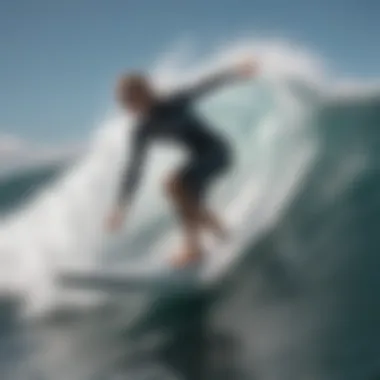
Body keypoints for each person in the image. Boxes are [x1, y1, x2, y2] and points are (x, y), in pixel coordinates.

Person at [106, 58, 259, 267]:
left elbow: (203, 87)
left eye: (126, 98)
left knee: (174, 184)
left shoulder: (173, 102)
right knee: (185, 197)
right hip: (199, 158)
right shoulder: (142, 130)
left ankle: (194, 249)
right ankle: (224, 236)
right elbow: (134, 168)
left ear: (143, 92)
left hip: (218, 152)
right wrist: (121, 206)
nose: (124, 105)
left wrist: (235, 72)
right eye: (122, 100)